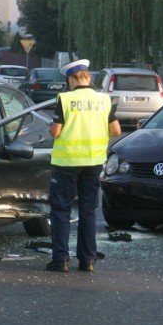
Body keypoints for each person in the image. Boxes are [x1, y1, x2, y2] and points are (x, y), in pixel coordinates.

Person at [46, 59, 121, 272]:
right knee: (88, 210)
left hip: (66, 162)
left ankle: (60, 260)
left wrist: (51, 127)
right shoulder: (104, 100)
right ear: (88, 77)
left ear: (71, 79)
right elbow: (116, 131)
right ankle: (87, 260)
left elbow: (56, 132)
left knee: (61, 209)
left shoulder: (66, 99)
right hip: (93, 161)